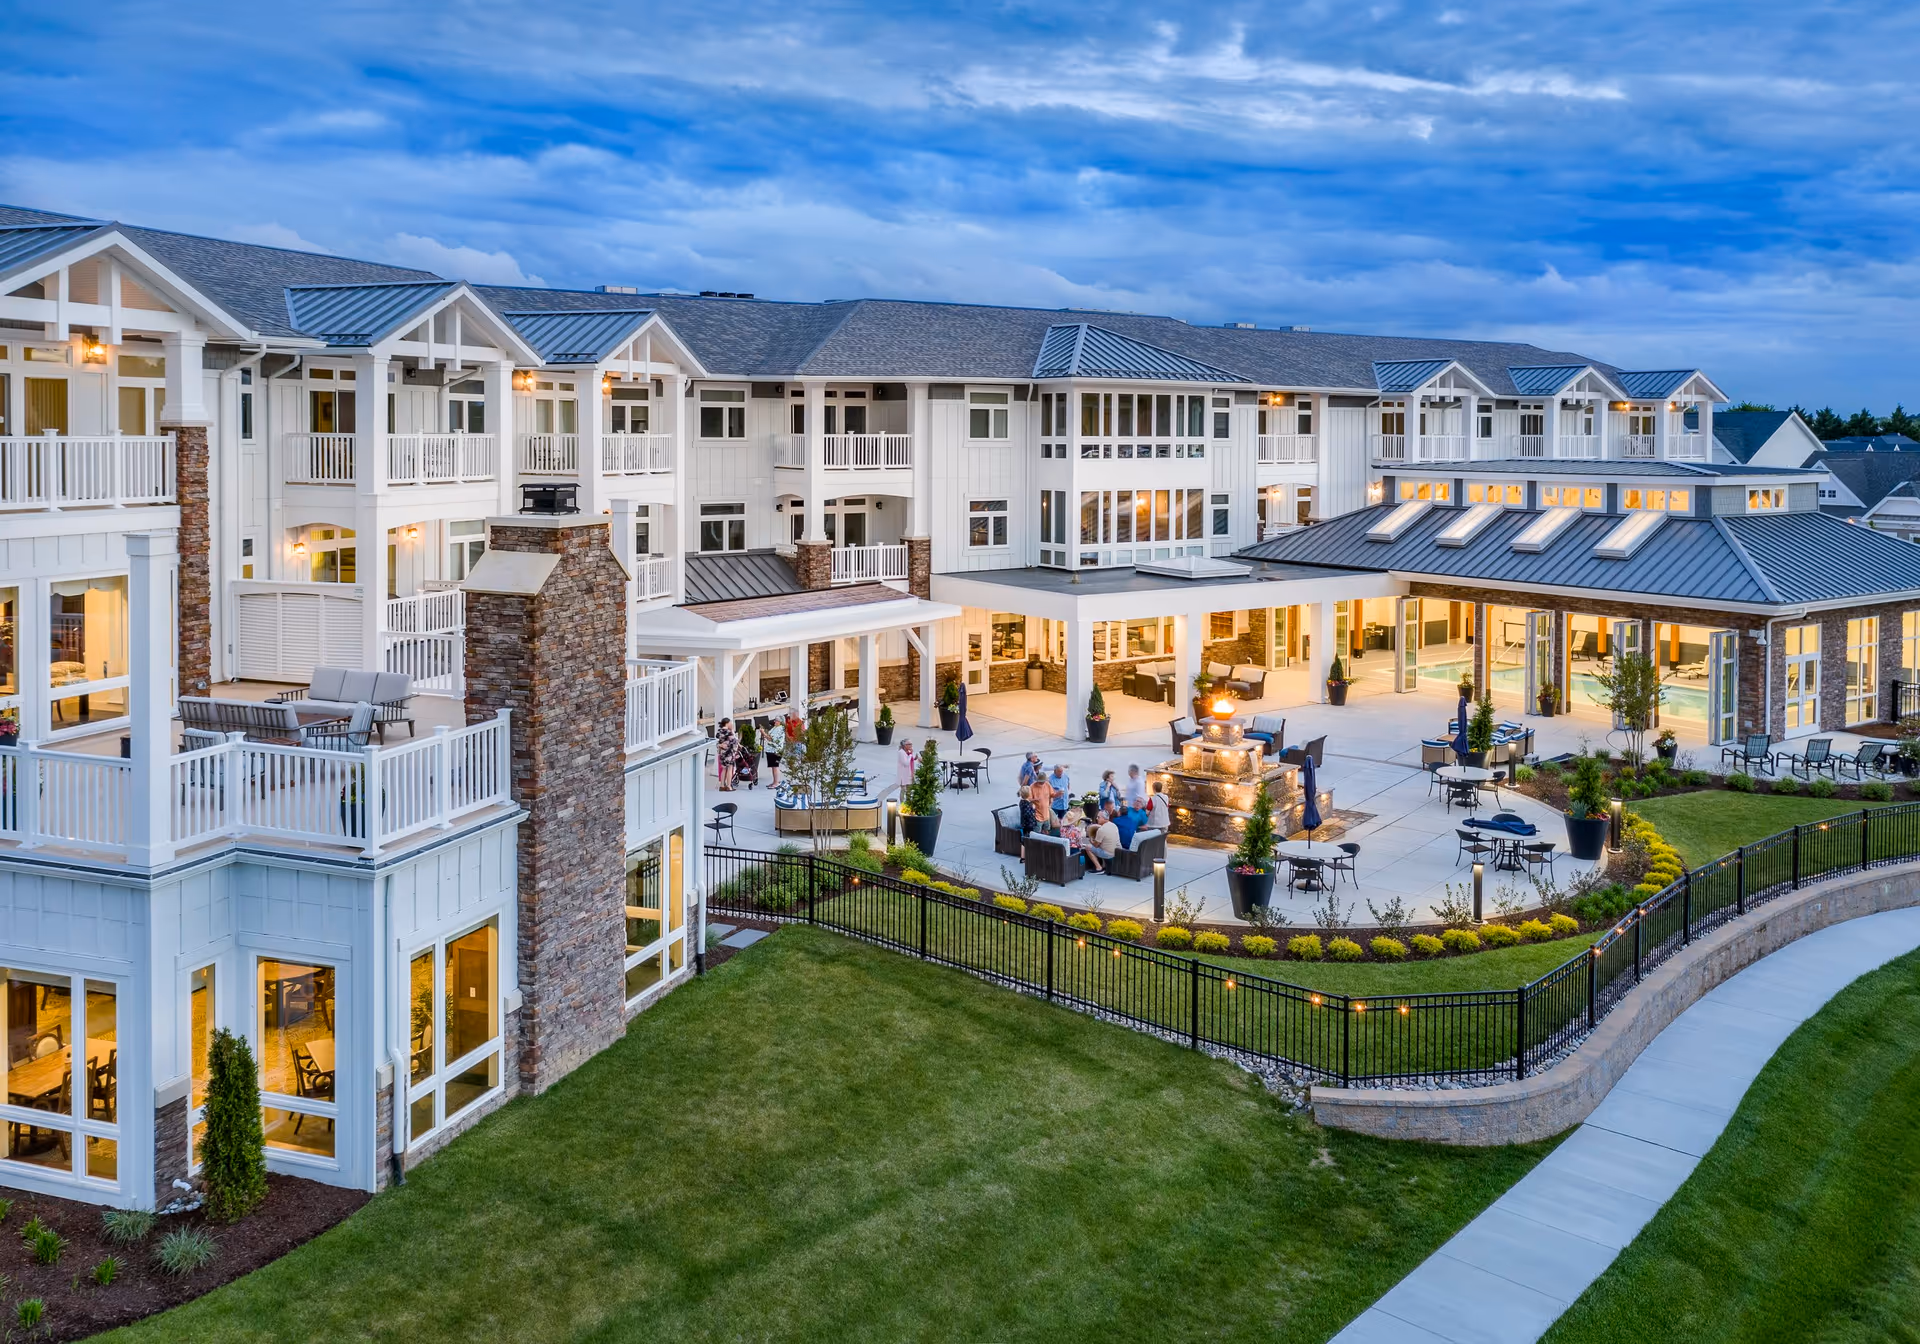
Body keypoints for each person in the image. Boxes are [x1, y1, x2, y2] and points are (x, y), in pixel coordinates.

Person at [1087, 807, 1122, 873]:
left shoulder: (1101, 830)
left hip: (1109, 854)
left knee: (1088, 847)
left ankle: (1098, 867)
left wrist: (1091, 840)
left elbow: (1096, 845)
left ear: (1104, 818)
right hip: (1117, 851)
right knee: (1104, 844)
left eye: (1098, 817)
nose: (1097, 819)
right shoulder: (1113, 825)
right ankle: (1103, 865)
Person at [715, 718, 739, 791]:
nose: (731, 724)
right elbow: (734, 742)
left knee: (724, 769)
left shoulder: (719, 731)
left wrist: (720, 745)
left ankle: (722, 785)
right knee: (729, 769)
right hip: (729, 753)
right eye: (730, 723)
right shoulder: (728, 732)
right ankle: (729, 786)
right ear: (727, 723)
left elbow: (717, 741)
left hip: (722, 753)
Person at [763, 717, 787, 789]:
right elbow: (769, 736)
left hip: (775, 750)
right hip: (771, 749)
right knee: (773, 767)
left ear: (780, 722)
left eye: (776, 720)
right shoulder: (775, 728)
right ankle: (774, 781)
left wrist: (763, 733)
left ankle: (776, 782)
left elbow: (771, 738)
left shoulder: (780, 729)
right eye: (775, 720)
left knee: (775, 766)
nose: (774, 721)